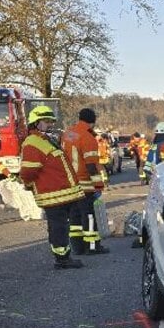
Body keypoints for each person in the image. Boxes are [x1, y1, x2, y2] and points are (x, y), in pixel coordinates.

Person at [18, 106, 86, 269]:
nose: (50, 124)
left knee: (62, 226)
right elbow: (28, 171)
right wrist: (28, 184)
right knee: (58, 228)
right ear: (35, 123)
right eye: (46, 121)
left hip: (62, 194)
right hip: (53, 195)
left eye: (51, 121)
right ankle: (62, 259)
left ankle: (65, 255)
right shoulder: (32, 143)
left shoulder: (44, 140)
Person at [62, 108, 109, 255]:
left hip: (69, 182)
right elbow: (91, 166)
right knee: (88, 215)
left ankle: (78, 247)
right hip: (84, 182)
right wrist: (98, 185)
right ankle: (93, 246)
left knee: (74, 216)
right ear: (93, 121)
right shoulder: (88, 138)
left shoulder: (68, 133)